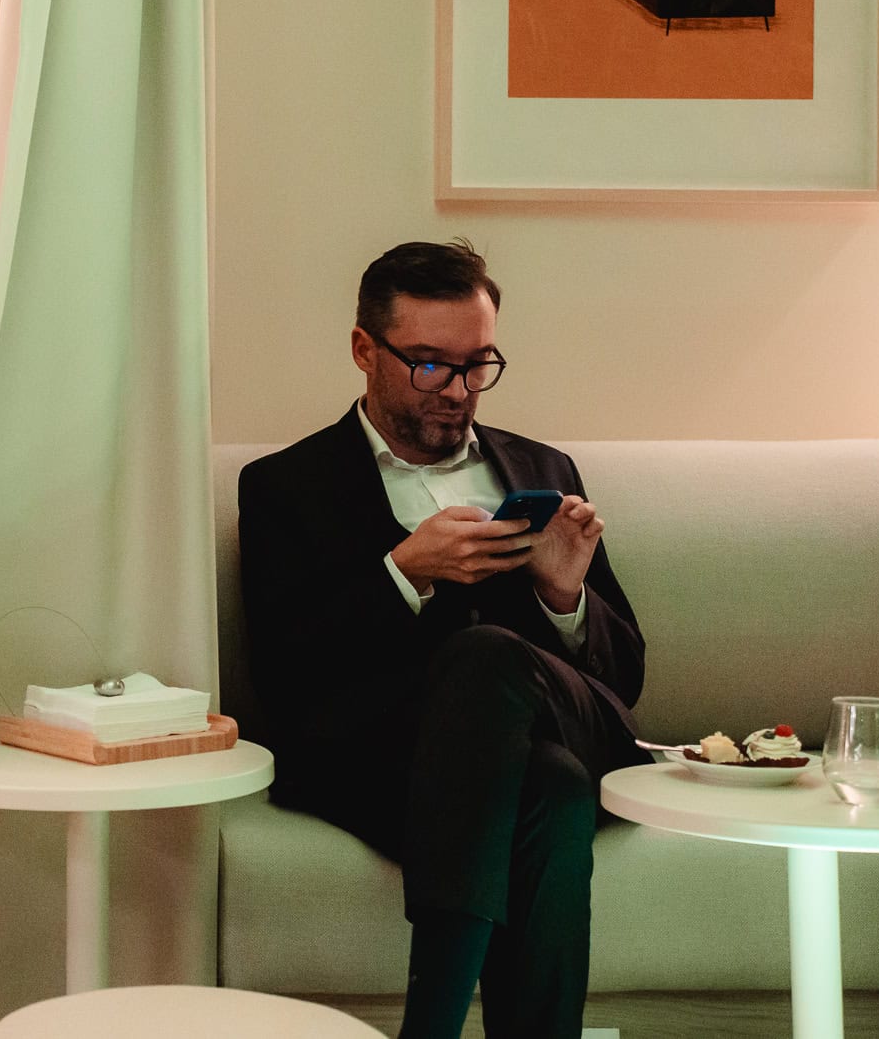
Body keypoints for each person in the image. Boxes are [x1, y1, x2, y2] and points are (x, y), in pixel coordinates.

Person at [237, 241, 643, 1039]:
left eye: (477, 365)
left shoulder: (545, 468)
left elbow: (623, 678)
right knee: (553, 786)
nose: (458, 391)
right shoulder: (287, 485)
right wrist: (404, 572)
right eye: (429, 365)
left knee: (489, 658)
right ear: (365, 349)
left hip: (567, 718)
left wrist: (564, 594)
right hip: (387, 756)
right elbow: (286, 674)